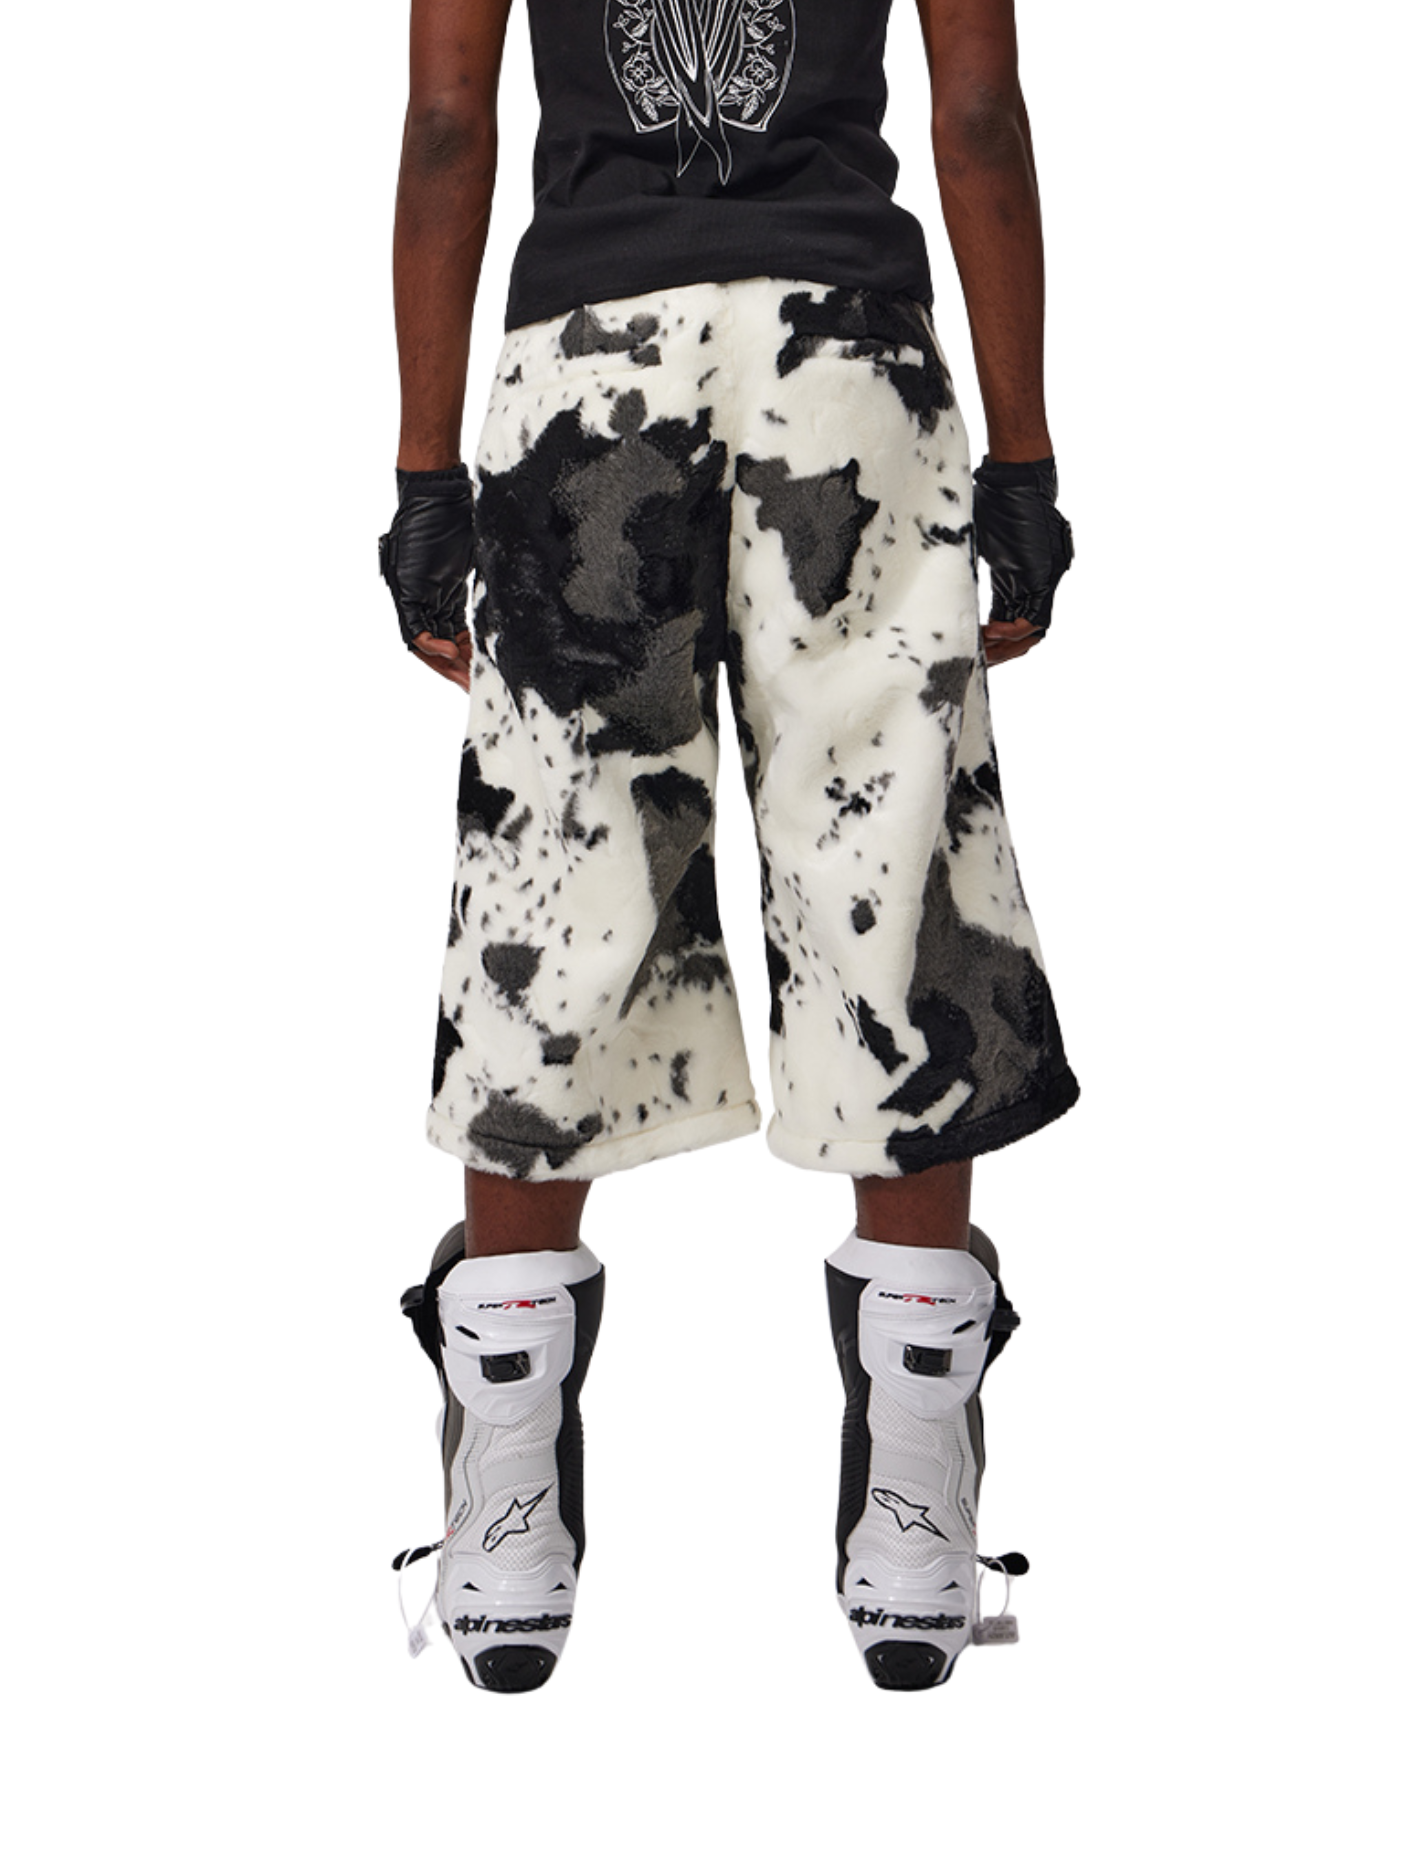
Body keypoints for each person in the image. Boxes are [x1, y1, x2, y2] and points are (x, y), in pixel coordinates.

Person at [381, 0, 1078, 1695]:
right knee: (889, 876)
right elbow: (979, 114)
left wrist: (423, 476)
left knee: (558, 878)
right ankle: (913, 1519)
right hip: (846, 358)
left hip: (591, 359)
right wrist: (1025, 456)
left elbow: (451, 124)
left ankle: (507, 1518)